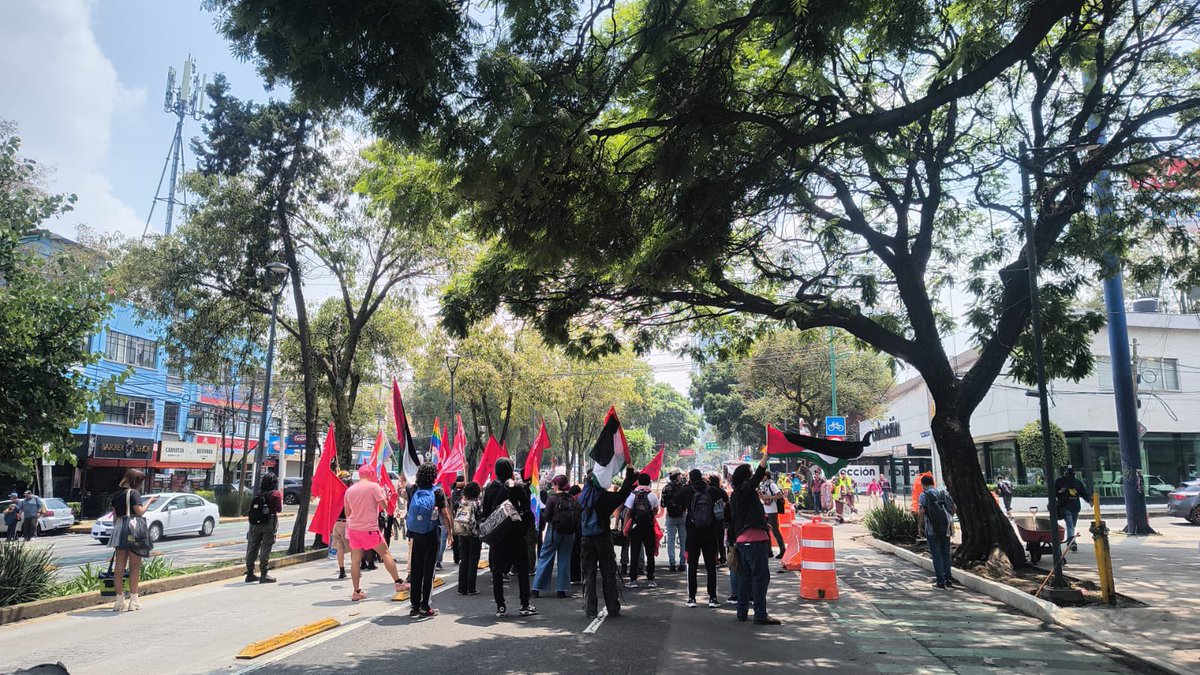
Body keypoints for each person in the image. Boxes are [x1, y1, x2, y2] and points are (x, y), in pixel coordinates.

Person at [481, 457, 538, 618]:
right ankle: (524, 604)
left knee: (497, 572)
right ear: (510, 471)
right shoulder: (516, 487)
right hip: (515, 535)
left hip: (497, 537)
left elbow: (486, 513)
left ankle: (500, 606)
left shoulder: (490, 488)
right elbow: (527, 510)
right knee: (522, 568)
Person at [579, 467, 637, 619]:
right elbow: (623, 495)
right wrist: (630, 476)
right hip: (603, 537)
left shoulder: (581, 498)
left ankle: (590, 610)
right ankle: (612, 607)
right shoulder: (604, 498)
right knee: (608, 573)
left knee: (589, 574)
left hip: (586, 539)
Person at [730, 455, 782, 625]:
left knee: (745, 577)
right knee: (760, 578)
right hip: (754, 541)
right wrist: (765, 458)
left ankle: (742, 612)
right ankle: (760, 614)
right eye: (750, 474)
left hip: (742, 540)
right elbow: (757, 476)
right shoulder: (746, 489)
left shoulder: (737, 494)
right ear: (747, 477)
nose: (754, 477)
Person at [344, 465, 407, 602]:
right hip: (370, 529)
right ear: (371, 474)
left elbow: (347, 513)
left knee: (355, 560)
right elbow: (385, 506)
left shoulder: (349, 490)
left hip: (354, 529)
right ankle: (398, 582)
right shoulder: (374, 487)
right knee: (385, 553)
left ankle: (356, 591)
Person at [406, 463, 454, 617]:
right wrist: (451, 533)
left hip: (415, 534)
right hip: (432, 535)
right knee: (429, 572)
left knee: (416, 570)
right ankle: (425, 606)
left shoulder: (414, 489)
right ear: (434, 476)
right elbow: (445, 514)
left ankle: (414, 605)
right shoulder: (438, 492)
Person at [675, 469, 727, 608]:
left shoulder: (686, 491)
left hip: (692, 533)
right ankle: (713, 598)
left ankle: (692, 598)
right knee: (711, 566)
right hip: (710, 533)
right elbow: (725, 497)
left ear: (690, 479)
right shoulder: (712, 491)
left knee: (692, 565)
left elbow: (675, 502)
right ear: (703, 478)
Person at [533, 475, 578, 597]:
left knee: (545, 558)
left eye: (553, 484)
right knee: (564, 560)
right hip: (569, 533)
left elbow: (547, 518)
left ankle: (536, 588)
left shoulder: (552, 499)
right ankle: (561, 589)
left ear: (557, 485)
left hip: (554, 531)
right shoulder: (572, 499)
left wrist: (540, 511)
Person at [110, 469, 148, 611]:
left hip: (120, 528)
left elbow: (114, 517)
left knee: (119, 566)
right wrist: (149, 501)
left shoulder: (117, 495)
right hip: (133, 528)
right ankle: (134, 600)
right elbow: (140, 512)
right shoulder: (134, 493)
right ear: (137, 482)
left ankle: (119, 600)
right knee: (135, 566)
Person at [917, 474, 957, 589]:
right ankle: (948, 578)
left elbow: (921, 512)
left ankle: (940, 581)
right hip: (946, 528)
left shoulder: (924, 495)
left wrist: (920, 527)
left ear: (923, 484)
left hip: (932, 529)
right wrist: (948, 518)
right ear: (933, 483)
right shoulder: (943, 492)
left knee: (936, 555)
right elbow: (954, 508)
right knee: (946, 553)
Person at [623, 472, 660, 589]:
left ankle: (633, 580)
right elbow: (656, 510)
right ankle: (650, 579)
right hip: (648, 527)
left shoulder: (632, 495)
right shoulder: (652, 495)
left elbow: (628, 512)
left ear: (638, 482)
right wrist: (649, 517)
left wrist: (625, 528)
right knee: (650, 552)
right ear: (649, 482)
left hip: (635, 527)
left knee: (634, 552)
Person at [245, 473, 282, 583]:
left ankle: (250, 573)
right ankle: (264, 574)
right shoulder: (275, 494)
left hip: (255, 524)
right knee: (265, 548)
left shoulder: (258, 493)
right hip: (269, 523)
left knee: (253, 548)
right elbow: (279, 509)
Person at [454, 481, 483, 596]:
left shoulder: (462, 503)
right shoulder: (478, 503)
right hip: (474, 534)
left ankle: (462, 587)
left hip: (462, 533)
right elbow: (481, 517)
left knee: (463, 560)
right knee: (473, 560)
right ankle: (471, 588)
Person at [1055, 466, 1091, 552]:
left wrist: (1090, 500)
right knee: (1071, 525)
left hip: (1071, 506)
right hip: (1068, 506)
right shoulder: (1074, 482)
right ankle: (1071, 541)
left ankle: (1070, 541)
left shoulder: (1064, 482)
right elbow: (1084, 493)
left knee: (1071, 526)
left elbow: (1083, 493)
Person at [660, 471, 687, 572]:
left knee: (670, 540)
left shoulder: (666, 488)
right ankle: (682, 563)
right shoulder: (683, 488)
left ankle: (672, 563)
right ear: (678, 477)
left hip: (670, 516)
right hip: (682, 516)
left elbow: (663, 504)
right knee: (683, 540)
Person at [758, 472, 786, 558]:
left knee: (775, 531)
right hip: (766, 510)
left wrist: (769, 498)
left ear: (766, 476)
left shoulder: (771, 484)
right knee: (766, 531)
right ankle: (769, 551)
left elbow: (780, 495)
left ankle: (783, 550)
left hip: (772, 510)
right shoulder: (765, 485)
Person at [331, 474, 353, 580]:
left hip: (336, 523)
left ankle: (342, 570)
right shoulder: (350, 495)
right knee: (354, 548)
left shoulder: (334, 494)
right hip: (347, 523)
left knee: (340, 548)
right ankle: (355, 569)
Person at [709, 474, 727, 566]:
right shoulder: (721, 491)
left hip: (710, 518)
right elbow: (727, 502)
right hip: (721, 518)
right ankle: (723, 557)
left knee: (713, 540)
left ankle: (714, 558)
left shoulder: (708, 491)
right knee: (721, 539)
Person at [568, 484, 583, 585]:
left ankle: (574, 577)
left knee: (574, 554)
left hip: (574, 530)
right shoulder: (584, 498)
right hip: (585, 530)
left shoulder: (571, 501)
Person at [450, 475, 465, 564]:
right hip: (458, 518)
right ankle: (457, 558)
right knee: (457, 540)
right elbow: (456, 504)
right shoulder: (456, 492)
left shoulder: (456, 491)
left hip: (457, 518)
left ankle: (458, 557)